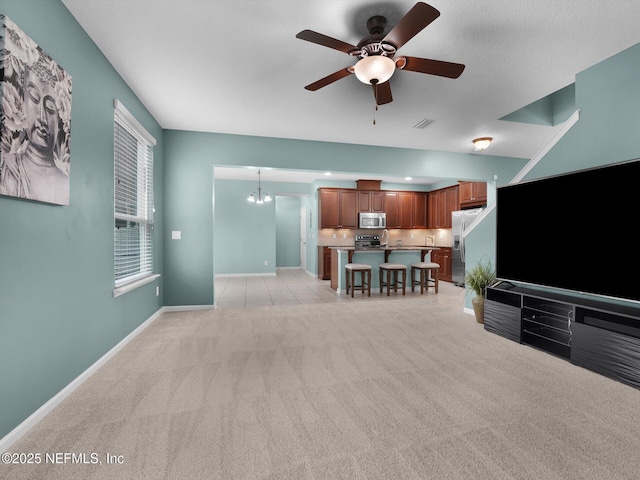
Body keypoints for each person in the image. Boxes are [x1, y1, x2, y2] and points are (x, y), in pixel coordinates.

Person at [0, 42, 71, 205]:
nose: (42, 117)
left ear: (60, 121)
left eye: (50, 107)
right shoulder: (5, 165)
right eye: (33, 97)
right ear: (24, 102)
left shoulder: (65, 184)